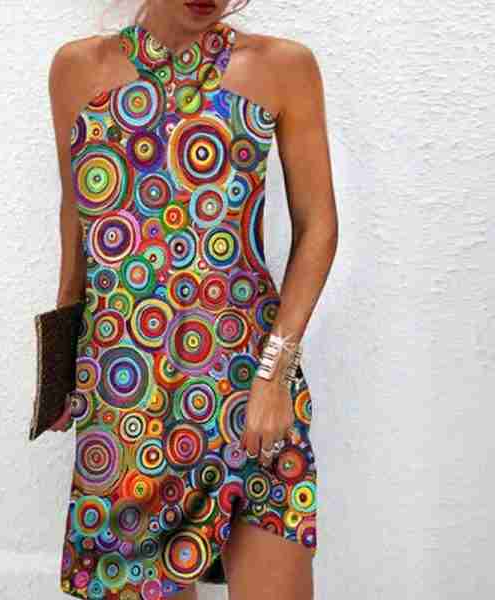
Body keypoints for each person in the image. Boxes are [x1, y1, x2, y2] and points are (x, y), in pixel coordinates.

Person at [48, 1, 337, 598]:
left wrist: (275, 371)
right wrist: (58, 369)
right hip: (126, 399)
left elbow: (318, 227)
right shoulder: (77, 70)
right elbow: (77, 218)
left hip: (249, 389)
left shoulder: (283, 68)